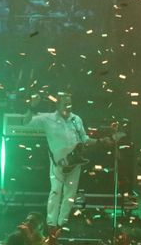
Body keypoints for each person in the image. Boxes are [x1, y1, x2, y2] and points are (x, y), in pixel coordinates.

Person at [24, 92, 108, 231]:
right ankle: (51, 223)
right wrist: (32, 107)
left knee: (70, 194)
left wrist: (100, 141)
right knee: (56, 191)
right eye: (65, 104)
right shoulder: (47, 118)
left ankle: (62, 224)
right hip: (58, 162)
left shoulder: (76, 119)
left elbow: (84, 139)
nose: (68, 107)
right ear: (57, 104)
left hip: (75, 162)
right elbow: (26, 123)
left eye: (70, 104)